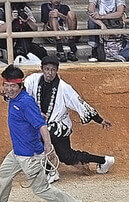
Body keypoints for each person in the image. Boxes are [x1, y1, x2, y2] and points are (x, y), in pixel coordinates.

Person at [0, 65, 83, 202]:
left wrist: (49, 147)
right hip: (17, 152)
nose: (9, 89)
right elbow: (19, 104)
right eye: (6, 86)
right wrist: (6, 96)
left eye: (12, 86)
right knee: (4, 173)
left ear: (20, 86)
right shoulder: (15, 98)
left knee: (41, 189)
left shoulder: (25, 102)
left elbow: (42, 125)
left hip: (30, 155)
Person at [24, 55, 115, 184]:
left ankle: (51, 171)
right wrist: (7, 93)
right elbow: (21, 92)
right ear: (42, 69)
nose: (50, 73)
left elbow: (80, 104)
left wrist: (99, 119)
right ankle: (104, 160)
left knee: (44, 136)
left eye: (53, 70)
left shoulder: (64, 87)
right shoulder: (32, 80)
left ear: (57, 70)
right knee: (67, 156)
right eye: (47, 69)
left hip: (60, 125)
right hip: (43, 124)